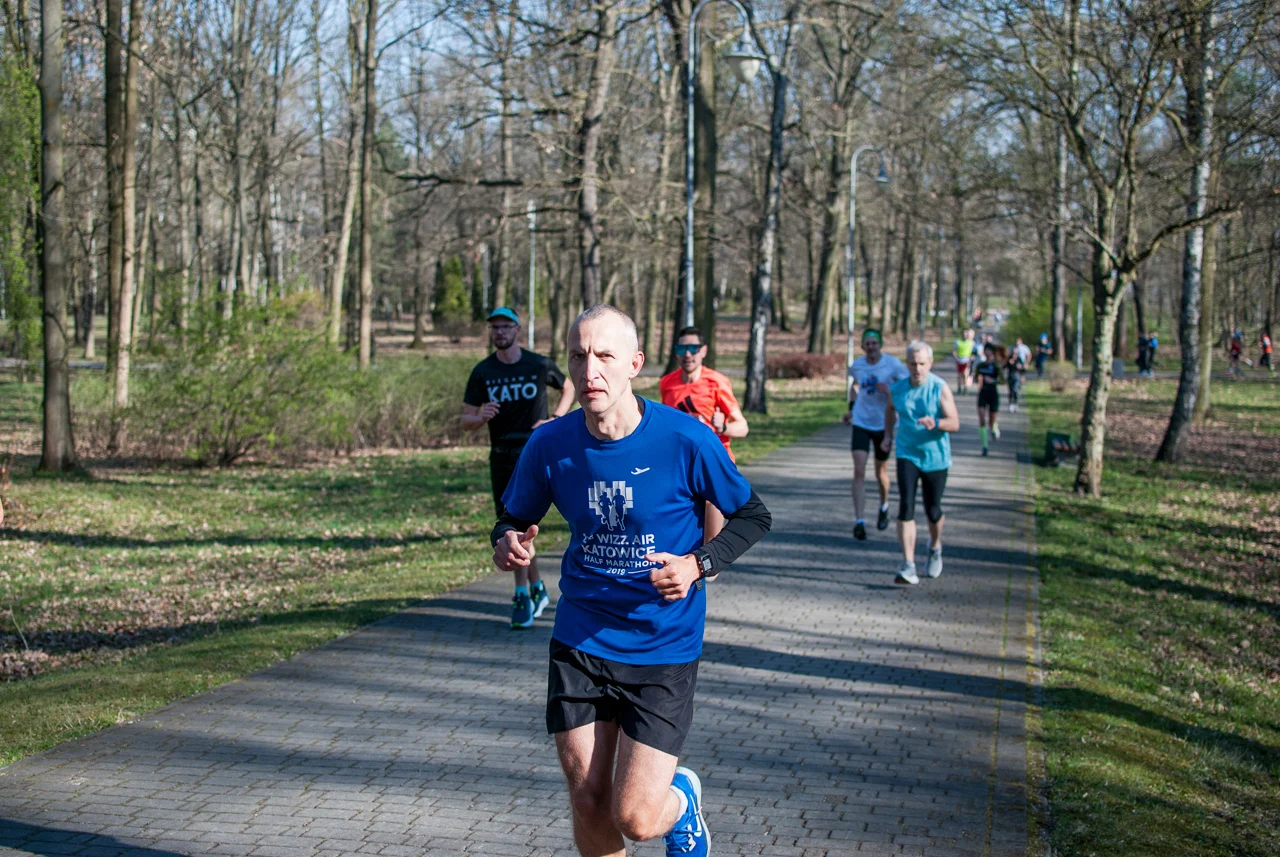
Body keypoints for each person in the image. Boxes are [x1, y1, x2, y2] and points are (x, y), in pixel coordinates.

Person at [492, 305, 772, 857]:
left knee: (636, 817)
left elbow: (753, 516)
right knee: (588, 800)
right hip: (581, 638)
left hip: (662, 642)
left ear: (635, 365)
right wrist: (507, 541)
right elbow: (511, 516)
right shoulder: (549, 445)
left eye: (604, 356)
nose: (588, 370)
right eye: (578, 356)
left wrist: (698, 564)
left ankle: (681, 803)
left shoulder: (685, 440)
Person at [463, 307, 576, 630]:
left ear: (517, 330)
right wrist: (480, 416)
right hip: (501, 454)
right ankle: (536, 588)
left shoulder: (537, 364)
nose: (500, 333)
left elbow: (568, 387)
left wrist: (555, 418)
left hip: (533, 452)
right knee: (514, 526)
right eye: (495, 328)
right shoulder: (483, 372)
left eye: (506, 327)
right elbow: (465, 420)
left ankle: (521, 593)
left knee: (520, 527)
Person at [659, 326, 749, 542]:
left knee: (711, 498)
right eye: (682, 348)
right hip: (679, 460)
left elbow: (743, 427)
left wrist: (723, 427)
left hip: (714, 459)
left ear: (704, 351)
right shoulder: (667, 383)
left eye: (693, 348)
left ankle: (711, 560)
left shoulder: (716, 381)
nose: (687, 354)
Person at [881, 341, 959, 586]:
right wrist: (887, 436)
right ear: (907, 364)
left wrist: (936, 423)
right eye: (913, 363)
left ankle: (935, 547)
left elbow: (954, 422)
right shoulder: (898, 389)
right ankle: (908, 565)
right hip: (907, 453)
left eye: (922, 364)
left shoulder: (939, 388)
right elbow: (890, 410)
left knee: (933, 510)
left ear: (930, 364)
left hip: (936, 457)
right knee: (905, 507)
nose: (917, 368)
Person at [842, 328, 909, 540]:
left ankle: (884, 505)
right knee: (859, 470)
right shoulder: (857, 366)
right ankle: (859, 520)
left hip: (884, 424)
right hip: (861, 421)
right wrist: (851, 409)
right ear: (863, 347)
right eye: (867, 344)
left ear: (880, 345)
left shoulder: (893, 365)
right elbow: (854, 386)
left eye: (875, 343)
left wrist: (889, 391)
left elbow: (905, 388)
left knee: (881, 473)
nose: (871, 347)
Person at [974, 343, 1002, 456]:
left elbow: (1003, 380)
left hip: (993, 394)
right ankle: (984, 447)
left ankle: (994, 427)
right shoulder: (980, 366)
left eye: (990, 350)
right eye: (986, 350)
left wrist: (993, 381)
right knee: (981, 419)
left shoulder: (996, 366)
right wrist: (977, 379)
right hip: (982, 393)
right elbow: (976, 377)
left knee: (991, 420)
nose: (988, 353)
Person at [953, 329, 977, 395]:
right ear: (962, 334)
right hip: (959, 360)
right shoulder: (958, 341)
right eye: (964, 334)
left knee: (965, 374)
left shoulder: (971, 342)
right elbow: (954, 351)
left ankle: (965, 388)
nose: (965, 335)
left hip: (967, 360)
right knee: (959, 375)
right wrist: (956, 357)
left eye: (966, 334)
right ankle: (959, 388)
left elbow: (974, 351)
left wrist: (973, 356)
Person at [1006, 341, 1026, 413]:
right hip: (1010, 376)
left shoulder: (1019, 359)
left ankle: (1015, 403)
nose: (1015, 354)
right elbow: (1005, 367)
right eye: (1014, 353)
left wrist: (1023, 376)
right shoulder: (1009, 359)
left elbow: (1022, 369)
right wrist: (1009, 363)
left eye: (1016, 353)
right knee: (1010, 391)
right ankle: (1011, 404)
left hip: (1017, 376)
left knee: (1016, 390)